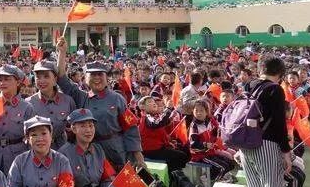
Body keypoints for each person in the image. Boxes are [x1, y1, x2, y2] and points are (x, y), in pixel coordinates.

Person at [56, 37, 144, 171]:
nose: (96, 78)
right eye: (92, 75)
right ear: (86, 79)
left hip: (117, 150)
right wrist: (62, 53)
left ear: (106, 78)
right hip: (92, 150)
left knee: (124, 186)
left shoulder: (117, 98)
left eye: (100, 74)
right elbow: (62, 79)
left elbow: (130, 127)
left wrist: (137, 154)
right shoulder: (81, 96)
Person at [242, 56, 292, 187]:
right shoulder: (274, 89)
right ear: (280, 74)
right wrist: (286, 152)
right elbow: (279, 124)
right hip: (267, 145)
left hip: (245, 144)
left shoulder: (248, 85)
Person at [0, 64, 34, 175]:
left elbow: (31, 137)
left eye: (7, 79)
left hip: (17, 156)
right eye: (0, 79)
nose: (2, 83)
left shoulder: (27, 107)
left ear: (17, 82)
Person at [26, 60, 76, 150]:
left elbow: (74, 128)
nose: (42, 81)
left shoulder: (67, 101)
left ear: (55, 79)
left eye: (46, 76)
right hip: (38, 151)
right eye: (38, 77)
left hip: (62, 150)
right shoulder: (28, 103)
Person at [138, 94, 189, 172]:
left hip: (159, 148)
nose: (153, 103)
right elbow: (158, 123)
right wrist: (168, 109)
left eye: (153, 101)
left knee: (185, 148)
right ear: (142, 107)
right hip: (152, 151)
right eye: (149, 102)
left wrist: (170, 141)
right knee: (182, 156)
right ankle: (176, 177)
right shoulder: (147, 116)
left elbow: (162, 125)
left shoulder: (153, 116)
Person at [188, 100, 235, 182]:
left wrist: (216, 139)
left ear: (207, 112)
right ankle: (209, 180)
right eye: (196, 110)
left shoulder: (209, 121)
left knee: (230, 163)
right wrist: (205, 145)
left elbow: (215, 134)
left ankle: (214, 177)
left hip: (211, 151)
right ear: (193, 111)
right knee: (222, 167)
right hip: (200, 155)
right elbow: (193, 145)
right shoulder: (194, 126)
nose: (199, 113)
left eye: (201, 110)